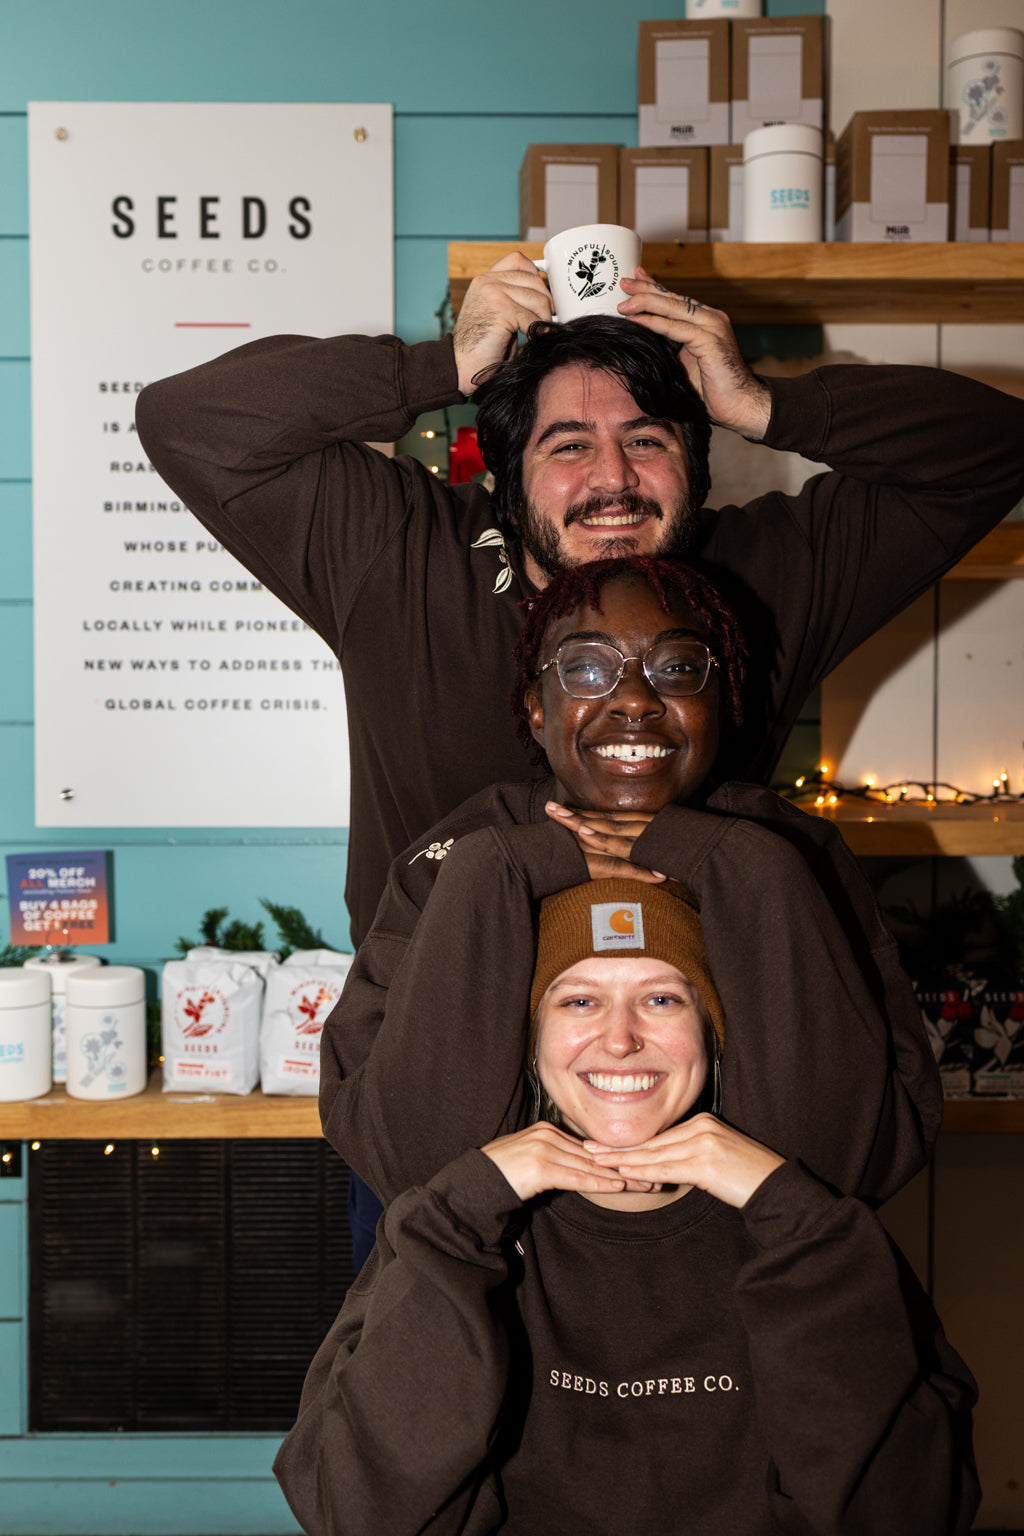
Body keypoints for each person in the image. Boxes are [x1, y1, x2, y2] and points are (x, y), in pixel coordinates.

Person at [134, 259, 1024, 951]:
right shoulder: (397, 551)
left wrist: (766, 405)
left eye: (646, 439)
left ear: (695, 465)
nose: (612, 480)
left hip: (693, 1070)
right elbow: (190, 420)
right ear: (507, 480)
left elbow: (994, 450)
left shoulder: (765, 570)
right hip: (435, 1067)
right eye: (568, 446)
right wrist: (441, 366)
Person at [274, 879, 979, 1536]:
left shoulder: (813, 1228)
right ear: (531, 1041)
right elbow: (354, 1511)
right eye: (579, 1001)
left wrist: (790, 1212)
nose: (619, 1039)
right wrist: (464, 1209)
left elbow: (912, 1508)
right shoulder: (450, 1223)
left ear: (712, 1031)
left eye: (663, 999)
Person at [320, 556, 940, 1215]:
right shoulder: (458, 855)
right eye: (587, 668)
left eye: (676, 669)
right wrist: (502, 869)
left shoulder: (791, 852)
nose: (636, 700)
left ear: (720, 700)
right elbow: (404, 1161)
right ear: (536, 705)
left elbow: (860, 1160)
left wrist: (741, 865)